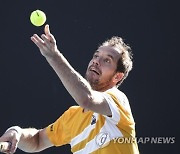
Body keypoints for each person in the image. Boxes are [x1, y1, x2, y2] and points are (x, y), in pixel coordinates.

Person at [0, 25, 139, 154]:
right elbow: (37, 141)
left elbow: (87, 99)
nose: (96, 61)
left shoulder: (118, 100)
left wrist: (54, 56)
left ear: (117, 76)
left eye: (107, 60)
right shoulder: (72, 117)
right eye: (96, 56)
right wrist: (17, 132)